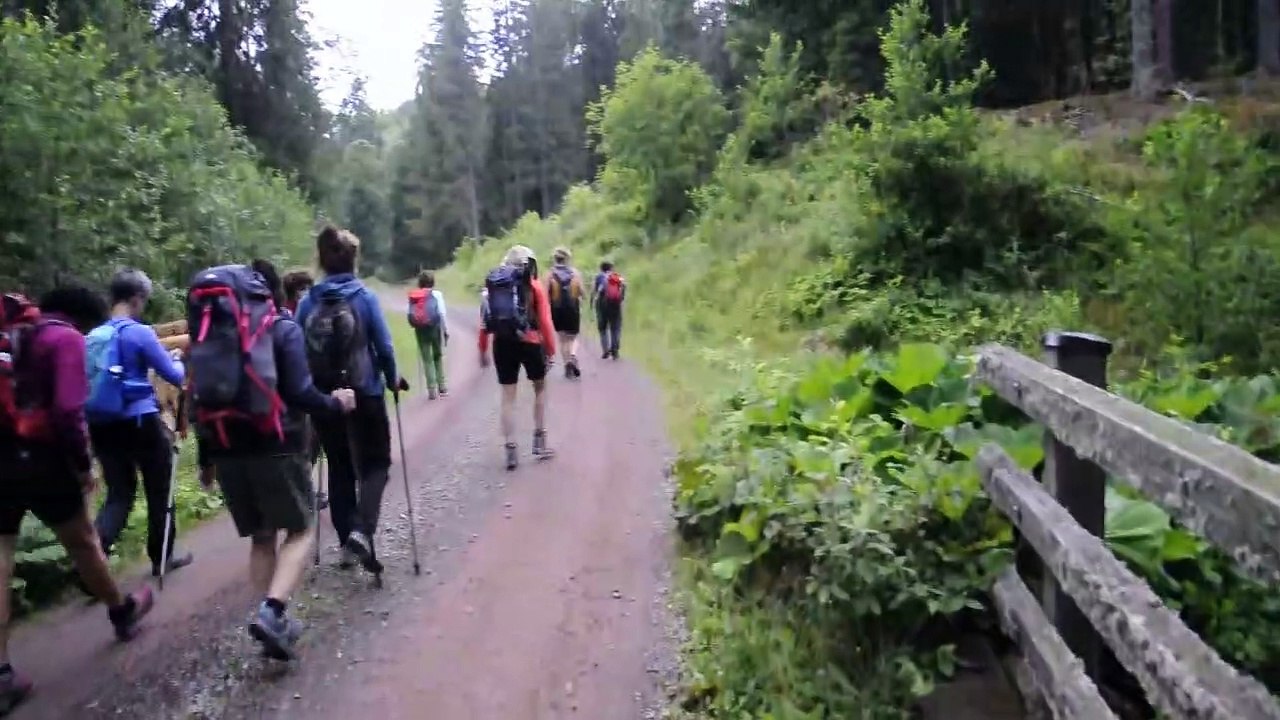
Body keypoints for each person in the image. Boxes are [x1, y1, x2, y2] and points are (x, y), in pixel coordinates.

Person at [0, 285, 155, 711]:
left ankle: (1, 673)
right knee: (83, 542)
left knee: (1, 556)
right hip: (45, 462)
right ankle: (120, 610)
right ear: (80, 318)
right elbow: (69, 412)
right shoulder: (63, 338)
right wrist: (85, 468)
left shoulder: (12, 335)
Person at [193, 260, 356, 661]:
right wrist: (335, 403)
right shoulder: (281, 328)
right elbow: (301, 393)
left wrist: (206, 458)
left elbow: (196, 399)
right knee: (301, 529)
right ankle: (272, 612)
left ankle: (269, 617)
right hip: (276, 445)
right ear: (270, 293)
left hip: (227, 447)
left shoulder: (208, 337)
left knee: (262, 536)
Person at [296, 226, 403, 575]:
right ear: (354, 261)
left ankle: (347, 544)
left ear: (322, 262)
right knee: (376, 465)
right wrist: (391, 378)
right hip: (365, 393)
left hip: (326, 399)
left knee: (340, 468)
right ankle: (361, 530)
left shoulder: (307, 302)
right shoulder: (365, 297)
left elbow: (296, 348)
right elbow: (384, 347)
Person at [87, 269, 193, 577]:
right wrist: (174, 357)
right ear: (136, 299)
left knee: (119, 494)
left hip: (103, 423)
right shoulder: (139, 333)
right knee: (159, 489)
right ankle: (162, 557)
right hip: (140, 420)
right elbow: (175, 376)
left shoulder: (94, 336)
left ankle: (91, 564)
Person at [479, 245, 557, 471]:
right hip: (531, 342)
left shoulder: (493, 287)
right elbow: (544, 321)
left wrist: (482, 349)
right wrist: (550, 350)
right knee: (540, 388)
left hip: (502, 344)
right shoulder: (533, 286)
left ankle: (510, 450)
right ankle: (539, 441)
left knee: (507, 396)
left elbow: (484, 323)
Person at [281, 270, 326, 510]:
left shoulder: (291, 311)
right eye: (305, 288)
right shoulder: (293, 314)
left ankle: (305, 488)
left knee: (311, 440)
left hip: (298, 385)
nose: (308, 292)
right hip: (301, 386)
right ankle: (305, 491)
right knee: (308, 439)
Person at [407, 271, 449, 399]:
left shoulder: (415, 295)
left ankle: (431, 389)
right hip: (434, 328)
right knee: (437, 356)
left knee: (427, 359)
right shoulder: (437, 294)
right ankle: (442, 386)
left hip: (420, 329)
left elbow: (410, 313)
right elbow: (442, 313)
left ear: (420, 282)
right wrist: (446, 330)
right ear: (432, 282)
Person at [546, 247, 584, 379]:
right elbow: (582, 293)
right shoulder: (575, 273)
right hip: (573, 309)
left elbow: (545, 295)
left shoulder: (550, 274)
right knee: (573, 337)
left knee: (562, 339)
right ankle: (573, 355)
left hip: (556, 310)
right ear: (567, 259)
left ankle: (567, 364)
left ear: (555, 259)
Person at [592, 261, 626, 360]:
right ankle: (615, 351)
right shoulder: (617, 277)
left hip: (601, 305)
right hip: (615, 304)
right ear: (611, 268)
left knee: (602, 328)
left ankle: (605, 350)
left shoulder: (598, 277)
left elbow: (594, 291)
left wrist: (592, 303)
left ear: (601, 268)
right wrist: (621, 299)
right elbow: (624, 286)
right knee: (615, 327)